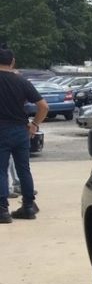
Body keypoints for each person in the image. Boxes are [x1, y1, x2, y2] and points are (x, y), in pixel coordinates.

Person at [0, 46, 47, 223]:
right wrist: (34, 124)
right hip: (21, 130)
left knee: (1, 170)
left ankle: (2, 210)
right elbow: (44, 106)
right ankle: (28, 206)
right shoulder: (22, 81)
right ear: (12, 62)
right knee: (24, 169)